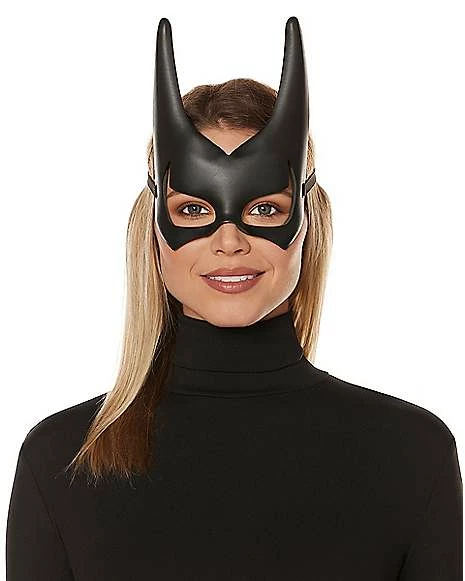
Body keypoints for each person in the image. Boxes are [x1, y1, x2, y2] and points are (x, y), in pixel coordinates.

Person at [6, 16, 462, 581]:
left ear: (307, 223)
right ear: (154, 228)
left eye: (264, 209)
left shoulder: (412, 454)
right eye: (194, 209)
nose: (229, 242)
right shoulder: (62, 460)